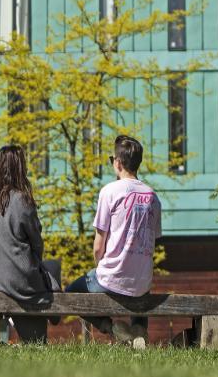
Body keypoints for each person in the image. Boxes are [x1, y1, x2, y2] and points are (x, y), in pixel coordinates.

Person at [66, 135, 162, 348]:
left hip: (111, 278)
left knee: (70, 293)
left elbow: (99, 246)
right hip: (142, 283)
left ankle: (111, 328)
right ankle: (139, 329)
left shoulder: (109, 192)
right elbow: (152, 243)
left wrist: (99, 267)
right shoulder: (153, 197)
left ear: (117, 163)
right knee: (138, 288)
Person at [0, 145, 61, 343]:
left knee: (39, 272)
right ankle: (54, 314)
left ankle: (34, 332)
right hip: (20, 282)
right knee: (52, 267)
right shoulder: (22, 200)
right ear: (20, 168)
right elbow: (37, 244)